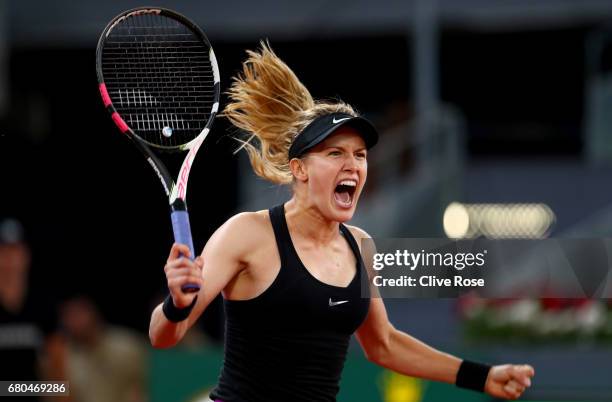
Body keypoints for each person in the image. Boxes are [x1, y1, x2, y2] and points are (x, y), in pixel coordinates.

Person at [148, 42, 535, 402]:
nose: (352, 165)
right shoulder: (246, 233)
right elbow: (164, 336)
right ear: (298, 168)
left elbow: (383, 344)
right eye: (335, 153)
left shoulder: (358, 245)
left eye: (360, 155)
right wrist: (178, 305)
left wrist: (481, 376)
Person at [0, 218, 67, 401]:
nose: (8, 259)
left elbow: (59, 381)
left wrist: (11, 388)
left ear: (25, 255)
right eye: (3, 251)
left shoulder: (42, 306)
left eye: (14, 250)